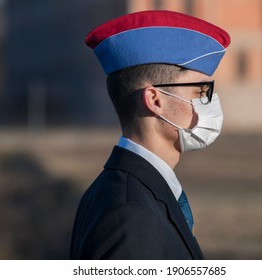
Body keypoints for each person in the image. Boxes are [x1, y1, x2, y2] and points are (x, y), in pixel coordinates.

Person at [70, 10, 230, 260]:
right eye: (200, 92)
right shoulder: (131, 215)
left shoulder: (129, 191)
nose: (208, 102)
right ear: (155, 100)